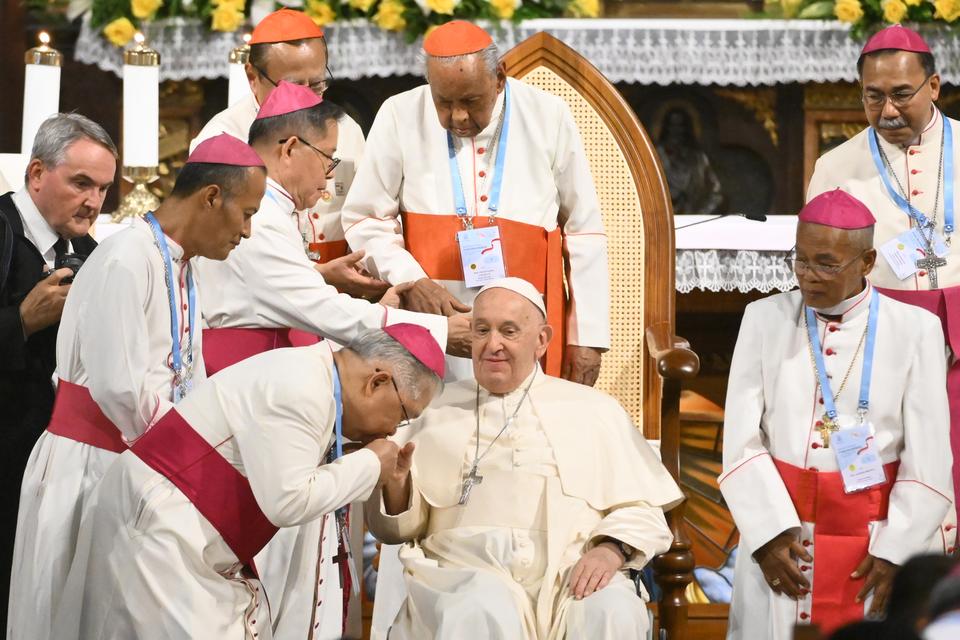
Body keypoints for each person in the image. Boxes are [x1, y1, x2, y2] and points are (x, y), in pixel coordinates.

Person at [194, 80, 465, 639]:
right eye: (328, 160)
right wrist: (438, 328)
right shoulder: (264, 218)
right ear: (290, 149)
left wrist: (325, 279)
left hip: (277, 380)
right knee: (273, 563)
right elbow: (319, 312)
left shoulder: (273, 211)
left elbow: (288, 295)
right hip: (263, 398)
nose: (331, 179)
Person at [8, 134, 266, 640]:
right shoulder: (128, 256)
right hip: (90, 468)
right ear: (212, 197)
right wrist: (195, 465)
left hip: (137, 462)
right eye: (247, 213)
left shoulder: (182, 262)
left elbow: (187, 374)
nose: (249, 232)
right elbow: (120, 389)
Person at [51, 324, 445, 640]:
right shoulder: (303, 388)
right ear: (376, 382)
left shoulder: (316, 378)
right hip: (155, 537)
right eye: (404, 414)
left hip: (185, 543)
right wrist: (371, 462)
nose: (395, 428)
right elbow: (289, 502)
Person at [365, 277, 682, 639]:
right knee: (479, 610)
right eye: (481, 330)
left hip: (571, 569)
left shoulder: (595, 409)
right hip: (462, 569)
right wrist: (396, 486)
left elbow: (643, 509)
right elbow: (395, 532)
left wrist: (611, 550)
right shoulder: (430, 407)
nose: (492, 344)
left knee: (612, 611)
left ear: (542, 340)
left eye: (509, 331)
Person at [719, 189, 955, 640]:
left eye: (826, 264)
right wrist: (768, 537)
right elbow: (742, 442)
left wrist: (895, 552)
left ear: (866, 262)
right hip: (784, 537)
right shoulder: (762, 318)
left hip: (873, 537)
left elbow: (928, 459)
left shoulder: (915, 329)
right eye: (800, 260)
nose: (808, 277)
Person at [341, 20, 610, 384]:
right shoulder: (399, 114)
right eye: (444, 102)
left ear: (499, 77)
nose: (458, 117)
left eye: (470, 101)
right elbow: (364, 219)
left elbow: (584, 230)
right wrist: (411, 279)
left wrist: (587, 338)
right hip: (436, 322)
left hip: (525, 322)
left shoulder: (549, 115)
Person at [806, 25, 960, 509]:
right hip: (880, 342)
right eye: (873, 98)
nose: (887, 112)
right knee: (892, 483)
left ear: (933, 86)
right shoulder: (836, 166)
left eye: (901, 95)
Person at [0, 113, 116, 631]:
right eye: (81, 184)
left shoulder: (91, 253)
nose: (94, 202)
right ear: (36, 174)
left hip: (58, 465)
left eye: (104, 189)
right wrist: (20, 322)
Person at [192, 8, 379, 297]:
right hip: (262, 299)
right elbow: (217, 255)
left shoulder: (345, 129)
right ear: (252, 75)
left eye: (317, 84)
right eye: (293, 85)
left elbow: (365, 211)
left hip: (343, 295)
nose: (308, 97)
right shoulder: (220, 141)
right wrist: (316, 277)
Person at [656, 107, 724, 215]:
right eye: (672, 125)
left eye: (681, 126)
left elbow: (716, 193)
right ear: (666, 127)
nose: (676, 130)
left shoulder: (699, 158)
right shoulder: (654, 157)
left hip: (693, 220)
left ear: (686, 128)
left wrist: (701, 214)